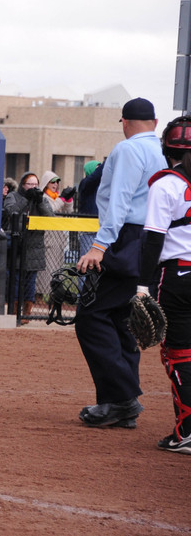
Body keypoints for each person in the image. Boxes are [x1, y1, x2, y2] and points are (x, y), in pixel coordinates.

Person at [74, 97, 167, 429]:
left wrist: (99, 245)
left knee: (90, 316)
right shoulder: (160, 151)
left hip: (124, 239)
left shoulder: (128, 149)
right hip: (151, 241)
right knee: (121, 321)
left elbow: (120, 200)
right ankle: (119, 405)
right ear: (154, 123)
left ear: (125, 123)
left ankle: (121, 399)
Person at [138, 115, 191, 453]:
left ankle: (186, 431)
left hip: (178, 277)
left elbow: (153, 241)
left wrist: (142, 286)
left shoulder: (167, 184)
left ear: (165, 148)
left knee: (179, 354)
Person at [3, 171, 54, 321]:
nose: (33, 187)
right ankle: (14, 312)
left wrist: (39, 201)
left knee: (30, 282)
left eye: (35, 185)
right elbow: (12, 211)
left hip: (35, 246)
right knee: (16, 280)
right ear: (23, 185)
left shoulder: (42, 199)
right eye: (29, 184)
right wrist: (26, 199)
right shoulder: (14, 196)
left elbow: (50, 218)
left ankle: (26, 313)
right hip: (18, 246)